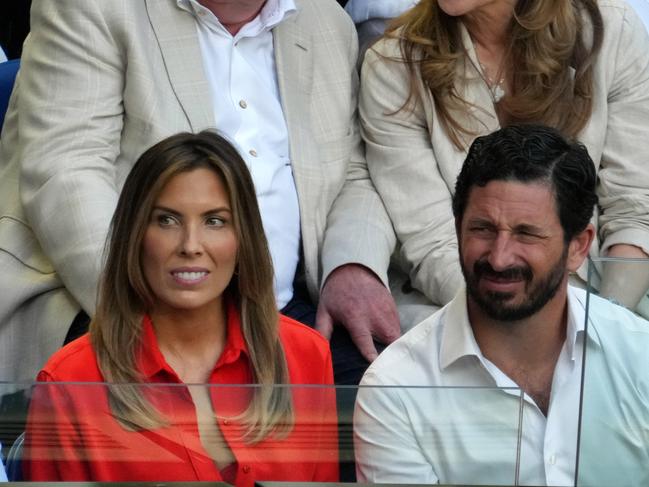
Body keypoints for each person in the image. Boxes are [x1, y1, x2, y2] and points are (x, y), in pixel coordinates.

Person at [0, 0, 397, 386]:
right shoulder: (93, 7)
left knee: (384, 408)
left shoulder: (326, 21)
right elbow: (68, 172)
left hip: (284, 307)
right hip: (121, 295)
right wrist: (154, 315)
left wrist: (352, 265)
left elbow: (353, 173)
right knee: (168, 441)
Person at [23, 131, 338, 485]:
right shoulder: (71, 381)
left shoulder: (307, 354)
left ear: (243, 239)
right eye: (167, 220)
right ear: (135, 237)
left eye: (214, 221)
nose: (191, 245)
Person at [354, 125, 649, 485]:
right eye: (482, 229)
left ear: (578, 247)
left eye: (526, 233)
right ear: (458, 227)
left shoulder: (639, 353)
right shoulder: (395, 388)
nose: (499, 257)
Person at [359, 0, 649, 316]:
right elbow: (433, 246)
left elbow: (635, 207)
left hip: (605, 301)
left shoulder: (609, 31)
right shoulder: (394, 64)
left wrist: (607, 324)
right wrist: (540, 333)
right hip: (464, 306)